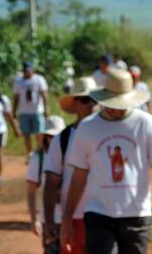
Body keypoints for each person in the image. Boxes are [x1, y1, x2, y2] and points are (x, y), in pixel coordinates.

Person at [61, 69, 152, 254]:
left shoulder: (145, 124)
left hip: (137, 213)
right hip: (98, 213)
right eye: (111, 103)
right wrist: (67, 218)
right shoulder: (88, 128)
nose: (115, 109)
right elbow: (78, 176)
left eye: (121, 104)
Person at [44, 77, 99, 254]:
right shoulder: (63, 139)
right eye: (85, 100)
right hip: (74, 217)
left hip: (106, 216)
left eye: (94, 99)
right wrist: (50, 220)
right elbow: (51, 182)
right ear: (75, 104)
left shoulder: (107, 134)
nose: (91, 104)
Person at [26, 115, 66, 251]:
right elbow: (31, 192)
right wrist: (33, 220)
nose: (53, 140)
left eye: (57, 136)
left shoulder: (73, 155)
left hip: (72, 219)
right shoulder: (37, 159)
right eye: (50, 136)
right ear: (44, 137)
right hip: (50, 221)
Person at [13, 61, 50, 155]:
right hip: (24, 112)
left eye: (29, 70)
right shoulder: (19, 81)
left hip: (37, 111)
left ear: (32, 69)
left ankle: (40, 153)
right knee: (26, 135)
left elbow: (44, 94)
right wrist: (14, 110)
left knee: (39, 134)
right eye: (26, 70)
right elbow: (16, 97)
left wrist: (46, 108)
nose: (28, 72)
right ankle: (30, 155)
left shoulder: (39, 79)